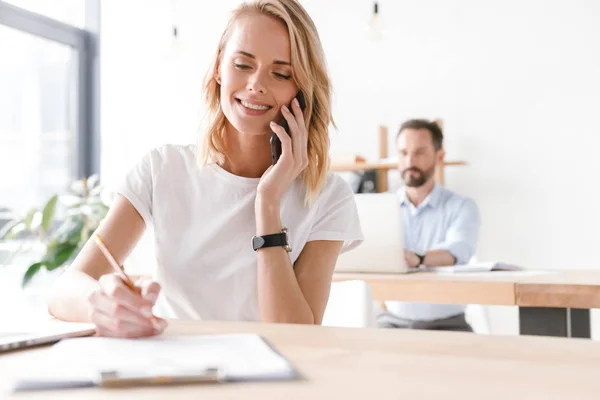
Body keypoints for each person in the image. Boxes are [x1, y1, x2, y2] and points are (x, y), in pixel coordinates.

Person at [47, 0, 363, 338]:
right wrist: (103, 304)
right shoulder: (162, 169)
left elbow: (296, 335)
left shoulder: (328, 196)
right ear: (218, 68)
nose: (256, 84)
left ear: (301, 90)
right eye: (243, 64)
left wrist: (267, 202)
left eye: (281, 73)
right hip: (175, 373)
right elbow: (64, 290)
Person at [377, 119, 480, 332]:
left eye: (420, 153)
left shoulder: (462, 206)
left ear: (439, 156)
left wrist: (419, 258)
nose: (410, 161)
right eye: (403, 153)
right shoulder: (382, 207)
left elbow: (457, 251)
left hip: (449, 324)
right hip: (393, 322)